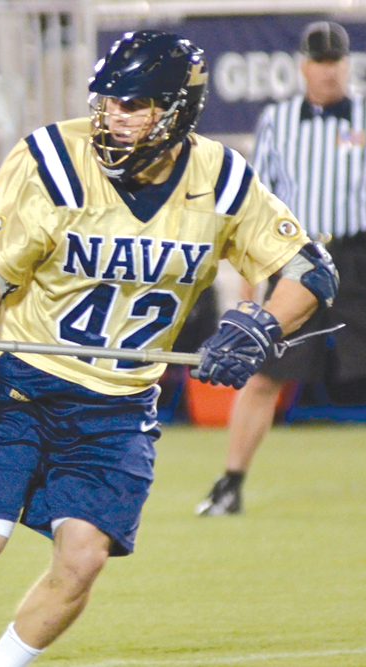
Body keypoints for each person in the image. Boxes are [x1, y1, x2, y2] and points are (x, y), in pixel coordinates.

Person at [0, 30, 337, 666]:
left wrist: (262, 324)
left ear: (176, 110)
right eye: (108, 103)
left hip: (119, 404)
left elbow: (311, 272)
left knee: (83, 558)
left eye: (133, 105)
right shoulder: (51, 157)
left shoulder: (222, 180)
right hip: (27, 379)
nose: (113, 117)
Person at [197, 21, 365, 516]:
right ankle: (230, 482)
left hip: (359, 252)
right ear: (302, 65)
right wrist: (250, 294)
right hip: (298, 259)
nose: (328, 70)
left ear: (346, 64)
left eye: (335, 60)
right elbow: (257, 203)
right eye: (319, 60)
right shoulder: (277, 120)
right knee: (264, 374)